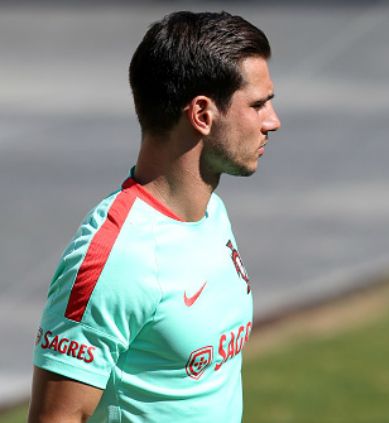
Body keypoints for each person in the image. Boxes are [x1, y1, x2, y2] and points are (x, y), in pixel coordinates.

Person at [28, 10, 280, 422]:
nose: (273, 121)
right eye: (258, 105)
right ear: (202, 114)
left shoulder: (211, 212)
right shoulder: (118, 258)